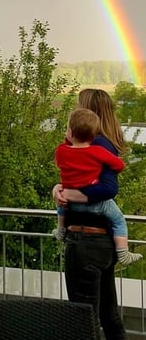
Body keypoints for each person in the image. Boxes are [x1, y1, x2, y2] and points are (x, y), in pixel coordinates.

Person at [53, 88, 132, 340]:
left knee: (84, 321)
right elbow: (74, 179)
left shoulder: (99, 145)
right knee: (109, 318)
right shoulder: (99, 145)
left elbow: (108, 189)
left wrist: (70, 193)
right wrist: (59, 189)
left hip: (86, 242)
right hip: (101, 242)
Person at [52, 107, 140, 268]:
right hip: (97, 204)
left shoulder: (61, 151)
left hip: (71, 204)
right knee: (119, 220)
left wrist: (69, 139)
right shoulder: (97, 151)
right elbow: (119, 165)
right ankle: (123, 252)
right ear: (93, 136)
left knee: (60, 204)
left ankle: (60, 230)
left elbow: (61, 159)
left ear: (70, 132)